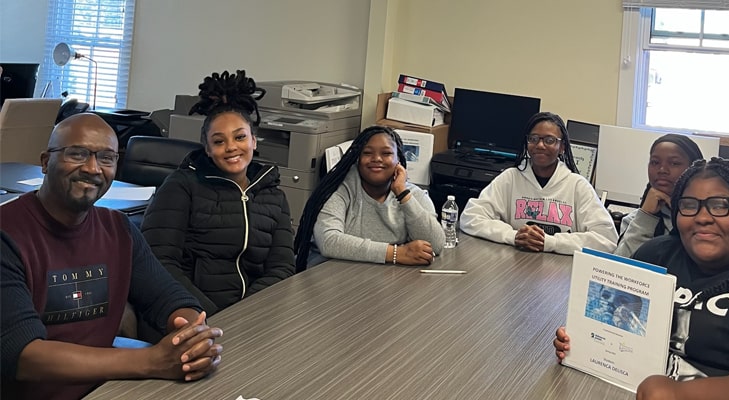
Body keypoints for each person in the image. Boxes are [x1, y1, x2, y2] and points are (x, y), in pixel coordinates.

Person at [0, 114, 223, 400]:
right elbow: (23, 355)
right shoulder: (7, 233)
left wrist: (191, 336)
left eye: (107, 158)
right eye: (77, 154)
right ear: (45, 161)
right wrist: (154, 361)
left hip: (107, 390)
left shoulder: (118, 229)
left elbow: (169, 299)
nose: (93, 168)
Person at [554, 157, 729, 400]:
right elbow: (620, 325)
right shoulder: (656, 254)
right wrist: (585, 340)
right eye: (689, 204)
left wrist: (681, 393)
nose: (702, 217)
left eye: (720, 204)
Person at [140, 70, 295, 317]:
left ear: (254, 141)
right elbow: (160, 260)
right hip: (191, 314)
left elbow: (282, 267)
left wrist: (248, 313)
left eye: (240, 137)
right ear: (207, 149)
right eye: (219, 141)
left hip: (254, 318)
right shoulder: (182, 186)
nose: (231, 147)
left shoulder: (273, 195)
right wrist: (212, 316)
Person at [459, 111, 618, 255]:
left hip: (560, 275)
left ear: (562, 147)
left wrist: (550, 242)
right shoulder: (511, 178)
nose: (540, 145)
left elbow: (607, 240)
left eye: (549, 140)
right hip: (515, 266)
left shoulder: (577, 186)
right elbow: (470, 217)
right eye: (533, 139)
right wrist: (513, 236)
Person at [294, 125, 444, 271]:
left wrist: (402, 194)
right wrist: (397, 253)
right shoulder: (339, 190)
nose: (377, 158)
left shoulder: (412, 194)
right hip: (329, 277)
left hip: (379, 277)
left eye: (386, 153)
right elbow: (329, 241)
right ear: (357, 159)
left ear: (399, 160)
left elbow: (435, 245)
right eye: (367, 153)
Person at [614, 134, 704, 258]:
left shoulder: (705, 219)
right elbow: (619, 270)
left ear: (693, 169)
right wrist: (646, 217)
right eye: (655, 162)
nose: (662, 169)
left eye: (674, 163)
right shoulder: (636, 220)